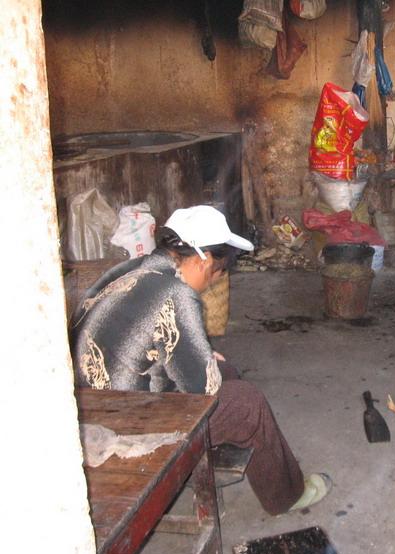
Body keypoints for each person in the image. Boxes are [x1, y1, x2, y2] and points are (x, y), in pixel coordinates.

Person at [71, 205, 331, 515]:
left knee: (226, 368)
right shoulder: (177, 293)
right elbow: (204, 388)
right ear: (204, 260)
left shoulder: (128, 269)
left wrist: (205, 358)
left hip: (88, 409)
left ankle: (221, 455)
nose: (212, 282)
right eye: (217, 273)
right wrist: (205, 363)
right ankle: (287, 497)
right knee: (247, 403)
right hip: (122, 432)